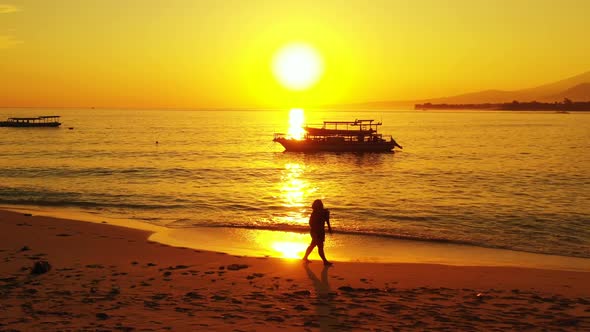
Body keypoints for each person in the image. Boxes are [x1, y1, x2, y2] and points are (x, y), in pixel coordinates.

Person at [302, 199, 333, 266]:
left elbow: (327, 220)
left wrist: (329, 228)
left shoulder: (324, 212)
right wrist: (316, 230)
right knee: (320, 246)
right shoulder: (315, 213)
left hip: (320, 231)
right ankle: (325, 261)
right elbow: (310, 223)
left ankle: (305, 257)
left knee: (313, 245)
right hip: (315, 232)